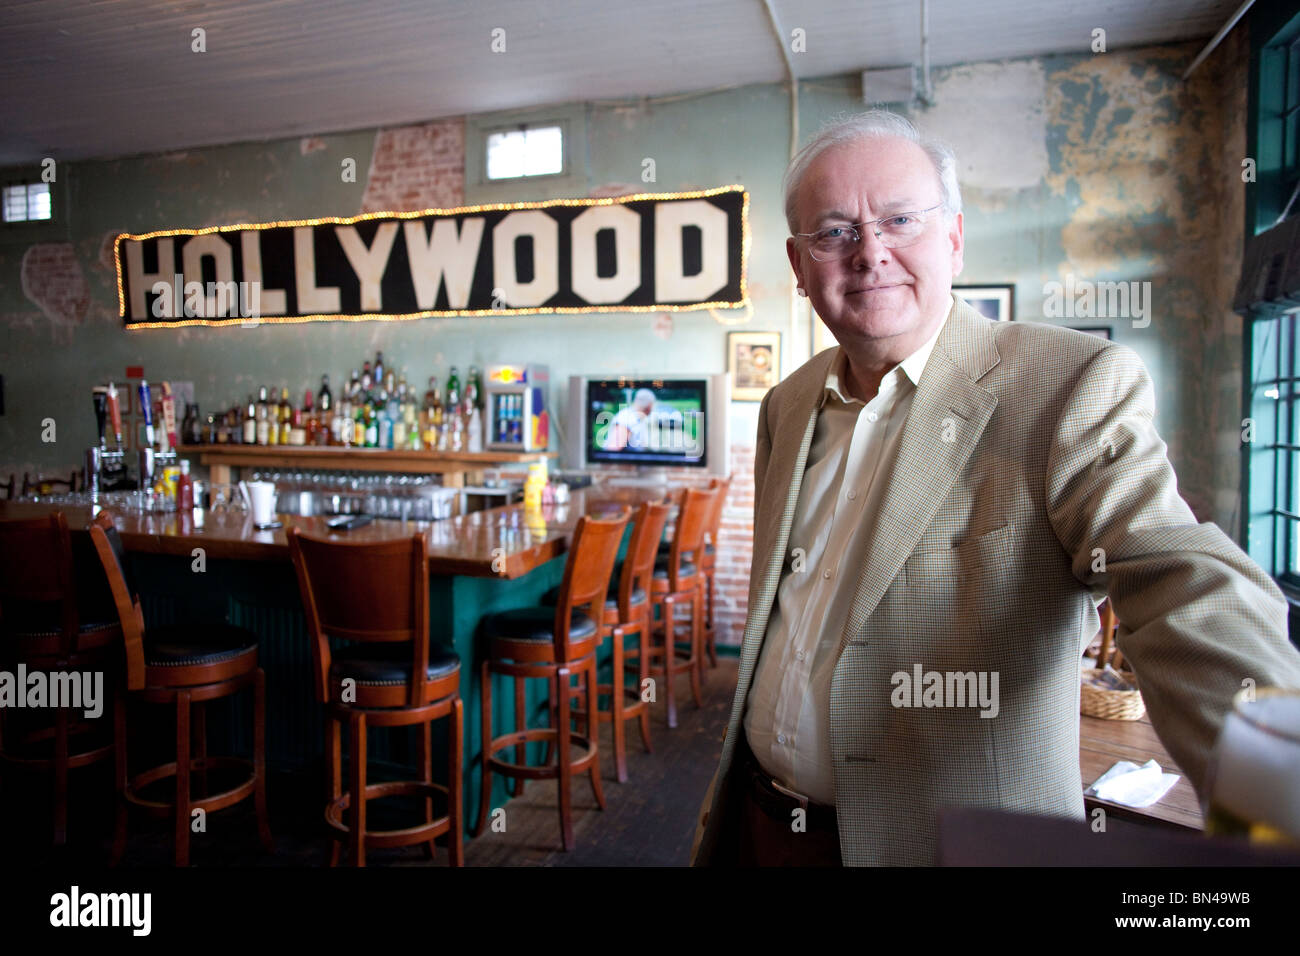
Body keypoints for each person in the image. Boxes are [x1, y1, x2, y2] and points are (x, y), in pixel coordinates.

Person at [690, 110, 1300, 866]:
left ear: (953, 238)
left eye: (900, 220)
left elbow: (1179, 576)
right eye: (835, 232)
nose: (871, 253)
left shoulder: (1069, 386)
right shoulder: (787, 403)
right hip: (760, 828)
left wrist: (1278, 791)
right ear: (798, 261)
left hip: (944, 848)